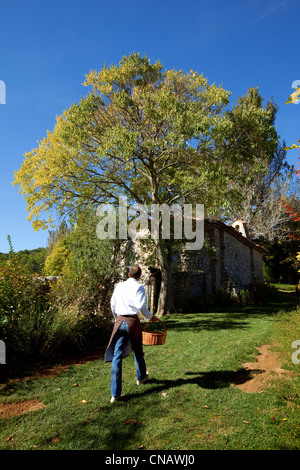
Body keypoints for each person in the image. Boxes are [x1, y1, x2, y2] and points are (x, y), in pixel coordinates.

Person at [105, 265, 159, 403]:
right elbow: (140, 306)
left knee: (117, 356)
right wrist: (150, 317)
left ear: (129, 274)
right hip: (132, 322)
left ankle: (115, 395)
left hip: (120, 319)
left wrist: (116, 317)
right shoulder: (139, 287)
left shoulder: (119, 286)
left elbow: (113, 304)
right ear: (139, 276)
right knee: (138, 350)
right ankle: (141, 378)